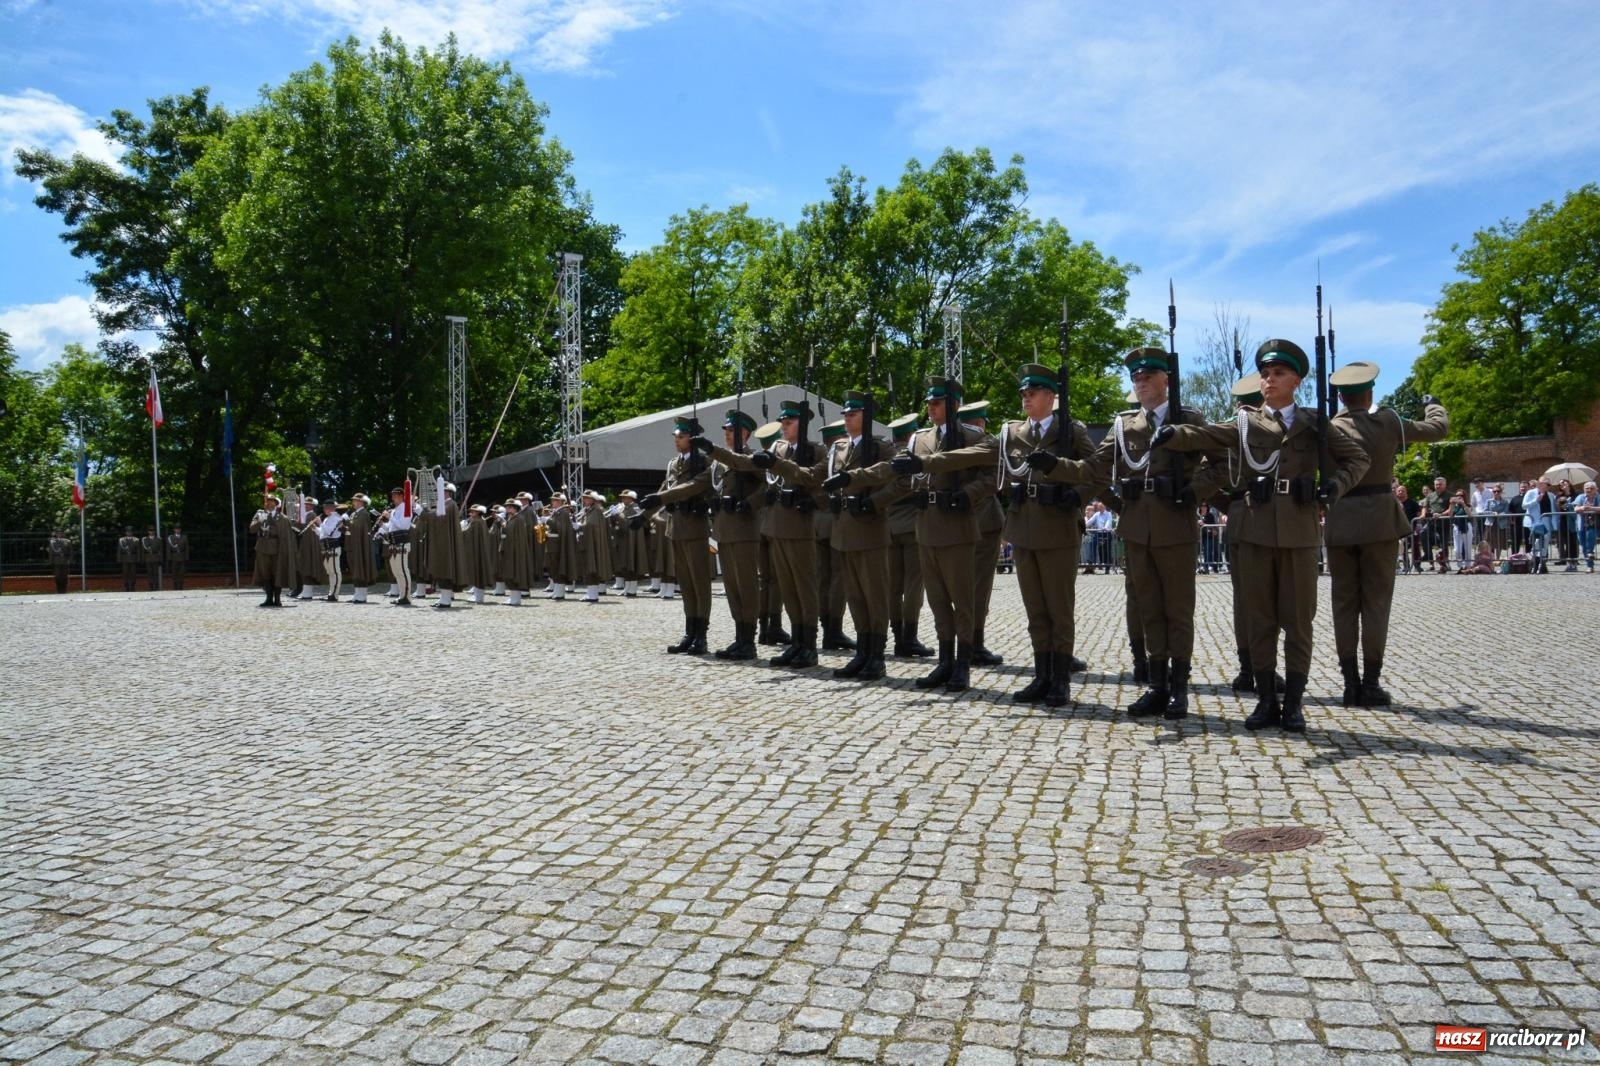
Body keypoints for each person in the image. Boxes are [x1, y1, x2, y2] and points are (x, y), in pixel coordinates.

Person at [1153, 338, 1370, 733]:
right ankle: (1267, 699)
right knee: (1260, 620)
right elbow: (1205, 435)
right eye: (1265, 374)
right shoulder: (1244, 422)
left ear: (1297, 381)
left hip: (1299, 531)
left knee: (1299, 621)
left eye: (1278, 374)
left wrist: (1333, 488)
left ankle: (1294, 703)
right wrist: (1173, 434)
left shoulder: (1315, 423)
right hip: (1254, 530)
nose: (1269, 380)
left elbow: (1359, 458)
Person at [1031, 346, 1213, 721]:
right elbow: (1093, 467)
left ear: (1166, 380)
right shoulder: (1125, 425)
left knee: (1178, 610)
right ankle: (1157, 686)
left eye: (1148, 376)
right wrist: (1055, 465)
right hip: (1136, 527)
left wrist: (1195, 491)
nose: (1141, 383)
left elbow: (1223, 463)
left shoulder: (1189, 419)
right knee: (1149, 609)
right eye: (1136, 378)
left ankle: (1179, 689)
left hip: (1175, 524)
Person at [933, 364, 1091, 705]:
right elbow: (978, 454)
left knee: (1058, 609)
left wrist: (1075, 494)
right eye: (1023, 394)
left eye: (1032, 393)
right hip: (1023, 528)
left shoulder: (1070, 431)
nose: (1025, 399)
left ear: (1050, 396)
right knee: (1035, 609)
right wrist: (927, 463)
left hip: (1059, 527)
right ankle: (1042, 675)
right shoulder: (1013, 433)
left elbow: (1096, 471)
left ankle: (1060, 679)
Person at [1323, 363, 1449, 705]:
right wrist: (1433, 404)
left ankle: (1350, 683)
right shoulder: (1388, 422)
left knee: (1343, 605)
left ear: (1340, 397)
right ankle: (1371, 683)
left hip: (1341, 521)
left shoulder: (1328, 429)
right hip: (1379, 521)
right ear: (1370, 393)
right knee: (1376, 604)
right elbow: (1437, 429)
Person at [868, 377, 997, 692]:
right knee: (938, 601)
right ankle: (945, 661)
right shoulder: (919, 438)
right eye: (928, 403)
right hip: (926, 525)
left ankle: (963, 664)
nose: (930, 408)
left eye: (936, 403)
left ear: (953, 405)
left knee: (962, 599)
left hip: (958, 526)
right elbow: (904, 477)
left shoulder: (973, 436)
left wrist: (969, 494)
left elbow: (994, 474)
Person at [762, 391, 899, 680]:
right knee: (855, 597)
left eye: (853, 414)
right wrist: (823, 500)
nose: (847, 418)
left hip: (870, 530)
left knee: (874, 595)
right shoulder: (839, 448)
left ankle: (876, 656)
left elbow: (900, 480)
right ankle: (862, 653)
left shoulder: (882, 447)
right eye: (845, 414)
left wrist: (874, 502)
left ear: (867, 417)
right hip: (844, 530)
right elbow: (816, 479)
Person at [701, 400, 824, 667]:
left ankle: (809, 645)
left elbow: (818, 479)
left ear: (803, 424)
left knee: (804, 588)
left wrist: (813, 500)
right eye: (782, 422)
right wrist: (713, 450)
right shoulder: (778, 448)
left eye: (789, 422)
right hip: (776, 525)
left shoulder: (816, 450)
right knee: (788, 590)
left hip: (801, 527)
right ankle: (796, 644)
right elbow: (744, 461)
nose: (784, 426)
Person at [638, 416, 717, 654]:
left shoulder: (705, 462)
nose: (676, 440)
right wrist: (643, 516)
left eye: (681, 436)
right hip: (676, 528)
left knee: (699, 583)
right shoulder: (673, 464)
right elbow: (664, 490)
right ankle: (689, 632)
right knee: (685, 583)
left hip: (695, 527)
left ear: (692, 439)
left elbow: (699, 488)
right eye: (675, 436)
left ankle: (701, 635)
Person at [705, 409, 767, 658]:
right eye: (726, 431)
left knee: (746, 584)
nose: (727, 435)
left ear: (745, 434)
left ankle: (749, 640)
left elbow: (768, 484)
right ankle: (739, 636)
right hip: (724, 528)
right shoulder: (720, 462)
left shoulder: (753, 458)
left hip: (744, 528)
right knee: (731, 586)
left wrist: (749, 503)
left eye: (732, 431)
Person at [956, 400, 1005, 666]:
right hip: (984, 522)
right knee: (979, 586)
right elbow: (996, 478)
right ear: (980, 422)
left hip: (955, 522)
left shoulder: (948, 442)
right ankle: (974, 643)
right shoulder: (983, 442)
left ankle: (962, 643)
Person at [884, 412, 933, 659]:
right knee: (914, 584)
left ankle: (897, 636)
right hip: (913, 526)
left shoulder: (886, 456)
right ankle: (909, 637)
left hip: (889, 527)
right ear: (913, 434)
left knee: (893, 587)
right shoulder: (916, 456)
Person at [250, 495, 297, 607]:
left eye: (271, 501)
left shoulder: (282, 518)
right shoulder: (259, 515)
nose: (269, 503)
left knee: (277, 573)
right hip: (262, 548)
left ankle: (277, 599)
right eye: (267, 501)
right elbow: (252, 529)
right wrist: (259, 521)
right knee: (265, 574)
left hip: (277, 549)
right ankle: (268, 598)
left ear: (276, 504)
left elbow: (286, 536)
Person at [377, 487, 416, 606]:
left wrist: (390, 517)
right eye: (393, 496)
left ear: (401, 496)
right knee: (396, 571)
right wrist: (382, 524)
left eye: (395, 496)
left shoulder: (406, 508)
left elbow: (403, 525)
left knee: (402, 570)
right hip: (393, 543)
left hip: (402, 543)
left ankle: (407, 596)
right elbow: (391, 527)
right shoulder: (394, 510)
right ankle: (401, 595)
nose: (393, 498)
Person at [574, 490, 614, 602]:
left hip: (594, 544)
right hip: (586, 542)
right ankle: (590, 593)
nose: (584, 500)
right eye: (584, 498)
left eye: (587, 498)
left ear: (593, 499)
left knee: (592, 568)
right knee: (587, 568)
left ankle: (593, 595)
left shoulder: (596, 510)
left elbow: (593, 525)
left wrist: (580, 526)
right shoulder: (587, 510)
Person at [344, 493, 379, 603]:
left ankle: (362, 595)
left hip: (360, 545)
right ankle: (357, 593)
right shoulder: (354, 514)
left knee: (360, 568)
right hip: (353, 544)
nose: (353, 502)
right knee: (355, 569)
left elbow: (359, 528)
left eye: (355, 500)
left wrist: (348, 523)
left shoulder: (364, 514)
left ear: (361, 502)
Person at [1522, 477, 1557, 574]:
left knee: (1545, 542)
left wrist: (1554, 525)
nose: (1547, 486)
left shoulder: (1551, 495)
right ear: (1540, 484)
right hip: (1534, 521)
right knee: (1537, 541)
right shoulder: (1531, 493)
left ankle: (1542, 564)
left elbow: (1553, 510)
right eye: (1546, 484)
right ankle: (1535, 562)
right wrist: (1536, 500)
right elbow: (1524, 506)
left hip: (1546, 520)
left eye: (1549, 484)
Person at [316, 499, 347, 601]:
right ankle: (331, 593)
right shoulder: (327, 519)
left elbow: (330, 532)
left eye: (327, 507)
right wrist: (315, 528)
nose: (325, 509)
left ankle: (335, 594)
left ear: (332, 508)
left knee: (335, 571)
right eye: (325, 507)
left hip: (333, 547)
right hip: (326, 548)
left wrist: (320, 523)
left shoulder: (336, 518)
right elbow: (322, 534)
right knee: (330, 572)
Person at [1421, 476, 1451, 571]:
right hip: (1431, 522)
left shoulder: (1450, 495)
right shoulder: (1430, 496)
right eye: (1436, 484)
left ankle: (1445, 563)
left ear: (1445, 485)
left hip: (1444, 522)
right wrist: (1423, 514)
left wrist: (1441, 514)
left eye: (1440, 484)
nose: (1438, 486)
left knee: (1443, 543)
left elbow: (1451, 509)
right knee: (1423, 533)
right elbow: (1425, 507)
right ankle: (1428, 555)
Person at [1573, 481, 1600, 572]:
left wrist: (1591, 508)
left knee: (1590, 537)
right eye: (1587, 488)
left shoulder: (1598, 497)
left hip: (1595, 524)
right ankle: (1590, 565)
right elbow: (1576, 508)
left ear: (1596, 489)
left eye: (1591, 488)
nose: (1589, 490)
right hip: (1581, 524)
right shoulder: (1580, 497)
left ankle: (1590, 552)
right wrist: (1582, 508)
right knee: (1583, 545)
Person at [1476, 483, 1508, 558]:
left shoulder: (1505, 502)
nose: (1496, 493)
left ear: (1501, 492)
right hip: (1490, 523)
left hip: (1501, 524)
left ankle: (1498, 558)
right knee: (1489, 542)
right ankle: (1491, 558)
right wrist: (1492, 513)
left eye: (1498, 491)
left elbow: (1506, 512)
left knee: (1499, 542)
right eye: (1494, 491)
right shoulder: (1489, 501)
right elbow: (1485, 511)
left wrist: (1499, 515)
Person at [1396, 485, 1421, 574]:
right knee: (1403, 547)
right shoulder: (1394, 503)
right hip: (1399, 529)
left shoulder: (1412, 503)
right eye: (1399, 491)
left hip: (1412, 528)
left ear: (1406, 492)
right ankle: (1406, 566)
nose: (1401, 492)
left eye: (1402, 490)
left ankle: (1417, 565)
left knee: (1415, 546)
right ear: (1396, 492)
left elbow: (1419, 514)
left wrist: (1418, 525)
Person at [164, 525, 189, 590]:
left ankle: (180, 586)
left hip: (182, 556)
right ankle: (175, 587)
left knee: (181, 572)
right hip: (174, 557)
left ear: (180, 530)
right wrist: (169, 558)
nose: (177, 530)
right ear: (174, 530)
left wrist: (186, 557)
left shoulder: (184, 537)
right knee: (174, 572)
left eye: (179, 529)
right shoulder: (170, 537)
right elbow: (168, 549)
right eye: (176, 529)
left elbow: (186, 548)